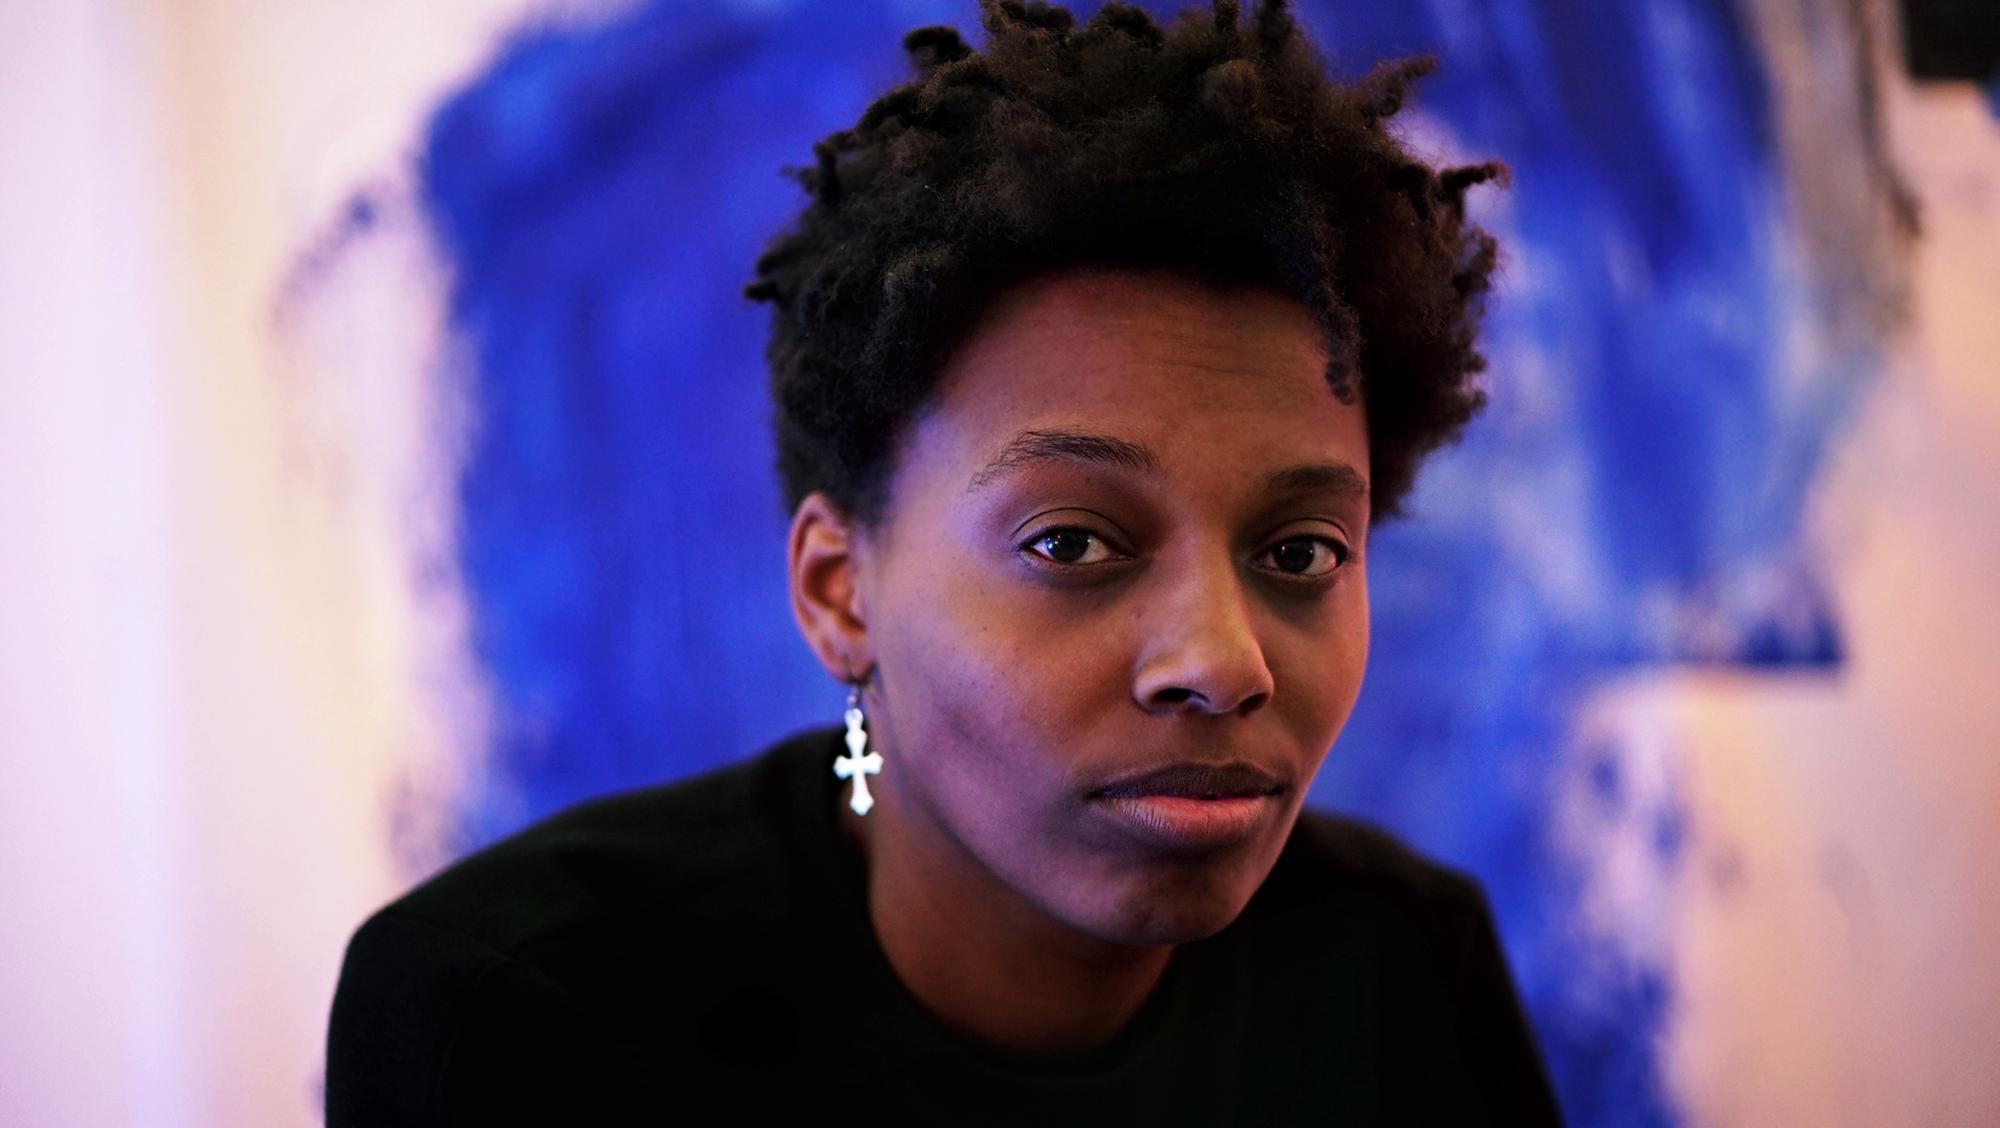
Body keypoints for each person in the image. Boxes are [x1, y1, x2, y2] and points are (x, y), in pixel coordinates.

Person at [325, 0, 1563, 1122]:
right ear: (836, 591)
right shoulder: (521, 1015)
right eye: (1070, 542)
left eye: (1300, 549)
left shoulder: (1405, 975)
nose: (1221, 664)